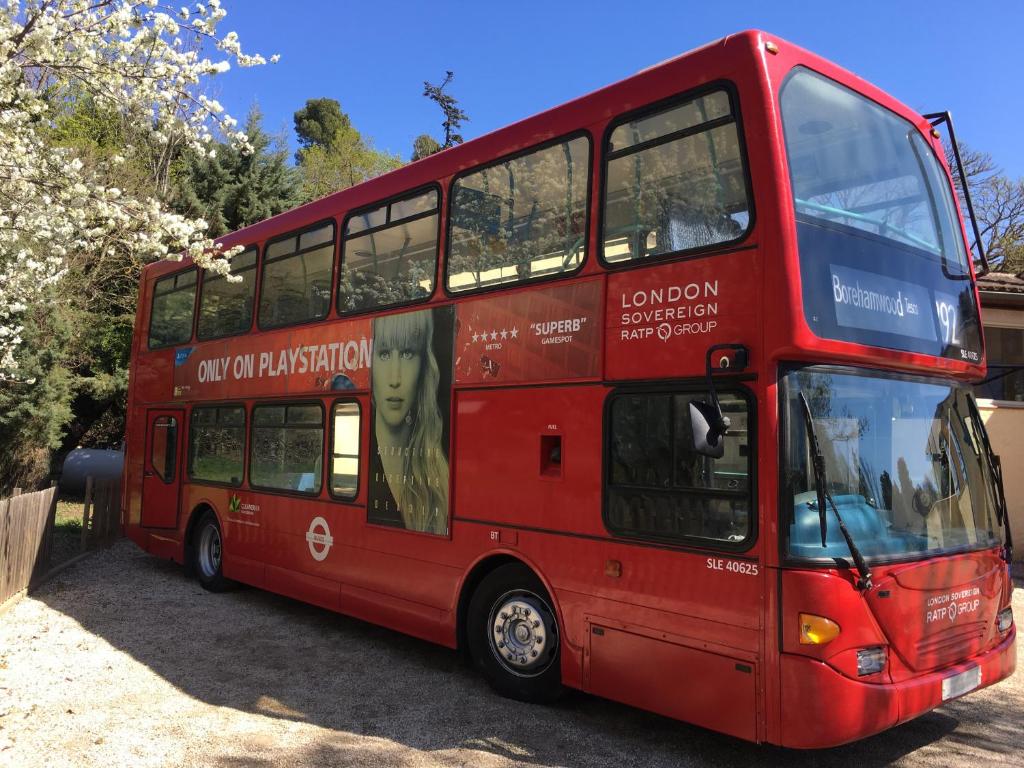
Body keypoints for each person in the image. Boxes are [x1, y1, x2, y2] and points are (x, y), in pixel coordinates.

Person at [370, 308, 450, 535]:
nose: (395, 379)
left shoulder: (441, 479)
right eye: (384, 354)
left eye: (407, 354)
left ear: (424, 365)